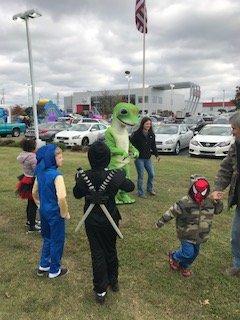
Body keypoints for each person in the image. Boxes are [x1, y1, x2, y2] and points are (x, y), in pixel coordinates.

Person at [73, 141, 135, 304]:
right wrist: (120, 178)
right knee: (110, 249)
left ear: (90, 158)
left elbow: (77, 194)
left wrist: (80, 183)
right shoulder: (115, 175)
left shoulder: (84, 177)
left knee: (97, 252)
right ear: (107, 158)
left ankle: (101, 289)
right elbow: (130, 186)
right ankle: (112, 282)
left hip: (93, 221)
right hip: (110, 220)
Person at [156, 174, 223, 277]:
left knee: (194, 254)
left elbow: (218, 211)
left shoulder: (210, 201)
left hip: (200, 235)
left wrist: (217, 202)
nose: (200, 194)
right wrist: (160, 222)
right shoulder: (184, 202)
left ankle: (184, 266)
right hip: (186, 234)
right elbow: (171, 212)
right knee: (188, 253)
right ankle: (174, 256)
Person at [32, 144, 70, 279]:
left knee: (47, 238)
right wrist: (64, 213)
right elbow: (61, 197)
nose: (62, 159)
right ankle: (54, 270)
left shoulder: (40, 173)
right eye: (59, 157)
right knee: (57, 240)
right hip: (55, 213)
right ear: (51, 159)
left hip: (44, 211)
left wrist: (40, 205)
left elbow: (34, 192)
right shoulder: (57, 176)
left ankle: (44, 264)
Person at [211, 112, 240, 276]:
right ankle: (238, 265)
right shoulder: (236, 146)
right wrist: (218, 188)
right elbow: (226, 168)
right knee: (236, 235)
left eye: (234, 128)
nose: (232, 132)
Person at [130, 117, 159, 198]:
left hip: (147, 158)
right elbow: (130, 144)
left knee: (152, 174)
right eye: (147, 124)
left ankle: (150, 189)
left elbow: (153, 146)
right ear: (143, 124)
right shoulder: (136, 134)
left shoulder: (151, 134)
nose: (148, 125)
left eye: (149, 124)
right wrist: (133, 152)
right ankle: (140, 192)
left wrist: (157, 155)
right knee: (141, 175)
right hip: (139, 159)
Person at [16, 138, 40, 233]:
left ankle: (30, 221)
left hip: (26, 179)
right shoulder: (32, 157)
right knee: (33, 204)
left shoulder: (23, 155)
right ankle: (32, 226)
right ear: (33, 147)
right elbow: (37, 170)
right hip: (32, 181)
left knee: (30, 203)